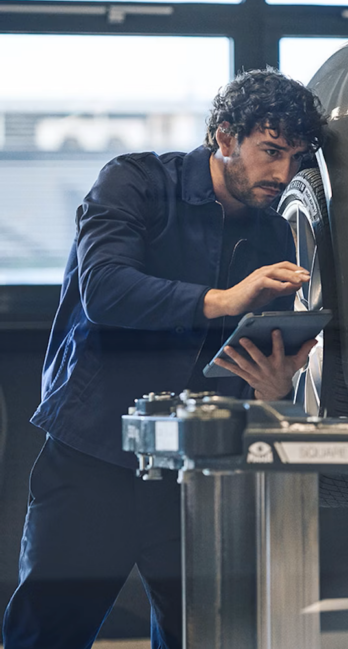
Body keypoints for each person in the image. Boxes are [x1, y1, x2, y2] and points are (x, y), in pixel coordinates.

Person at [3, 68, 327, 649]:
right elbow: (104, 289)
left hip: (198, 475)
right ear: (225, 137)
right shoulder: (135, 182)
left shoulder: (274, 236)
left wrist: (274, 389)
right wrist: (221, 300)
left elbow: (254, 364)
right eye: (271, 151)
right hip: (95, 456)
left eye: (296, 157)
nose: (283, 174)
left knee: (205, 637)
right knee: (45, 635)